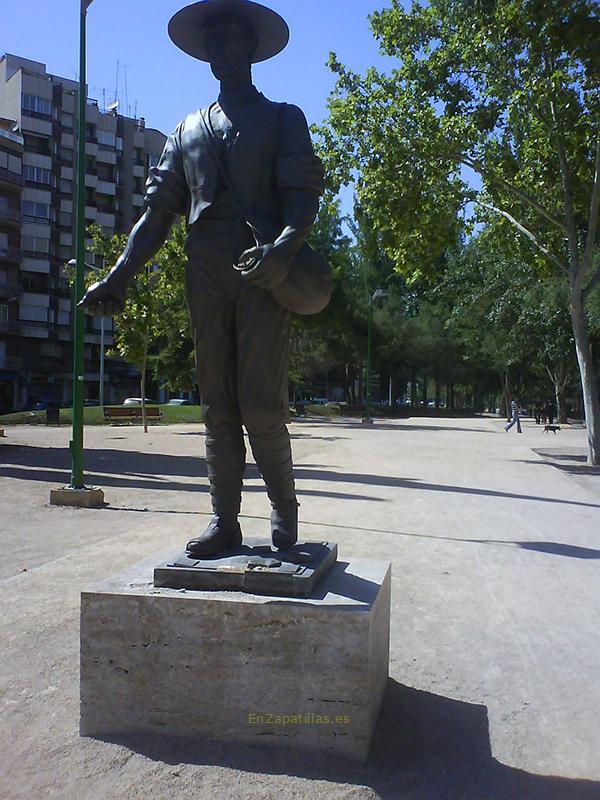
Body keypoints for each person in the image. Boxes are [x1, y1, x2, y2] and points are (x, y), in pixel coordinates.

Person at [79, 0, 325, 556]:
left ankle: (284, 511)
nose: (222, 50)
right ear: (206, 54)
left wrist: (281, 253)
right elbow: (157, 213)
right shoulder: (187, 129)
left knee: (260, 404)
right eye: (213, 42)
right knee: (216, 404)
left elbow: (304, 198)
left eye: (232, 39)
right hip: (205, 273)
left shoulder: (284, 118)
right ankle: (224, 521)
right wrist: (118, 277)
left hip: (262, 273)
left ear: (252, 48)